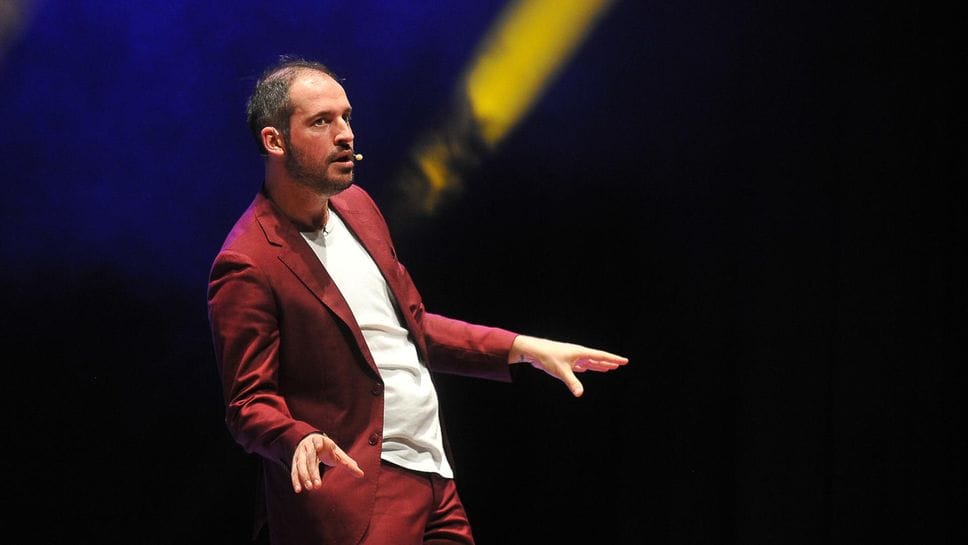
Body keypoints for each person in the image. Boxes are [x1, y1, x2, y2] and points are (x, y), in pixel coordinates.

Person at [207, 55, 629, 545]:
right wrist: (296, 437)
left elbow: (414, 326)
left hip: (432, 472)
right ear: (274, 141)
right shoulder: (247, 261)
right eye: (322, 122)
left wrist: (522, 348)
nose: (345, 135)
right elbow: (248, 403)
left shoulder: (357, 208)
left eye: (346, 117)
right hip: (356, 494)